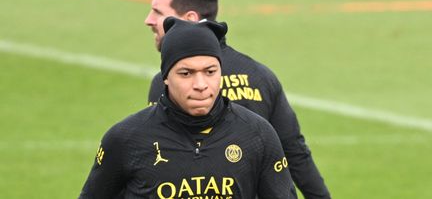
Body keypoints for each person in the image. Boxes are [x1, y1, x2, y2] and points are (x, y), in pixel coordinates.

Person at [145, 0, 331, 199]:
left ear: (189, 19)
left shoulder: (166, 84)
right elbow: (295, 153)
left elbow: (154, 161)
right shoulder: (261, 75)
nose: (149, 20)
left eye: (157, 12)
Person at [79, 17, 297, 199]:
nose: (201, 85)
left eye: (210, 71)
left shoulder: (257, 134)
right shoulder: (126, 139)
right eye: (186, 73)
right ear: (165, 77)